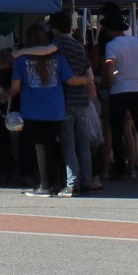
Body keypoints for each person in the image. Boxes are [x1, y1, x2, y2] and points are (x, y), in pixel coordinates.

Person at [10, 23, 84, 197]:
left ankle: (44, 185)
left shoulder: (21, 60)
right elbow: (71, 79)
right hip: (56, 109)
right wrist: (87, 80)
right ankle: (54, 182)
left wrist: (8, 94)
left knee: (40, 147)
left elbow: (15, 87)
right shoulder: (58, 58)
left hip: (33, 109)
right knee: (51, 146)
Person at [103, 17, 138, 183]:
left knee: (117, 132)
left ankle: (120, 169)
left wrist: (108, 82)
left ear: (112, 30)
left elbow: (111, 70)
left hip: (119, 91)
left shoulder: (111, 46)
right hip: (137, 90)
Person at [50, 10, 100, 195]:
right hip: (82, 99)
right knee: (83, 143)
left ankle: (72, 183)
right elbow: (90, 74)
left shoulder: (57, 44)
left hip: (65, 99)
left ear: (54, 27)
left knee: (68, 143)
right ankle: (86, 181)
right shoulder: (79, 46)